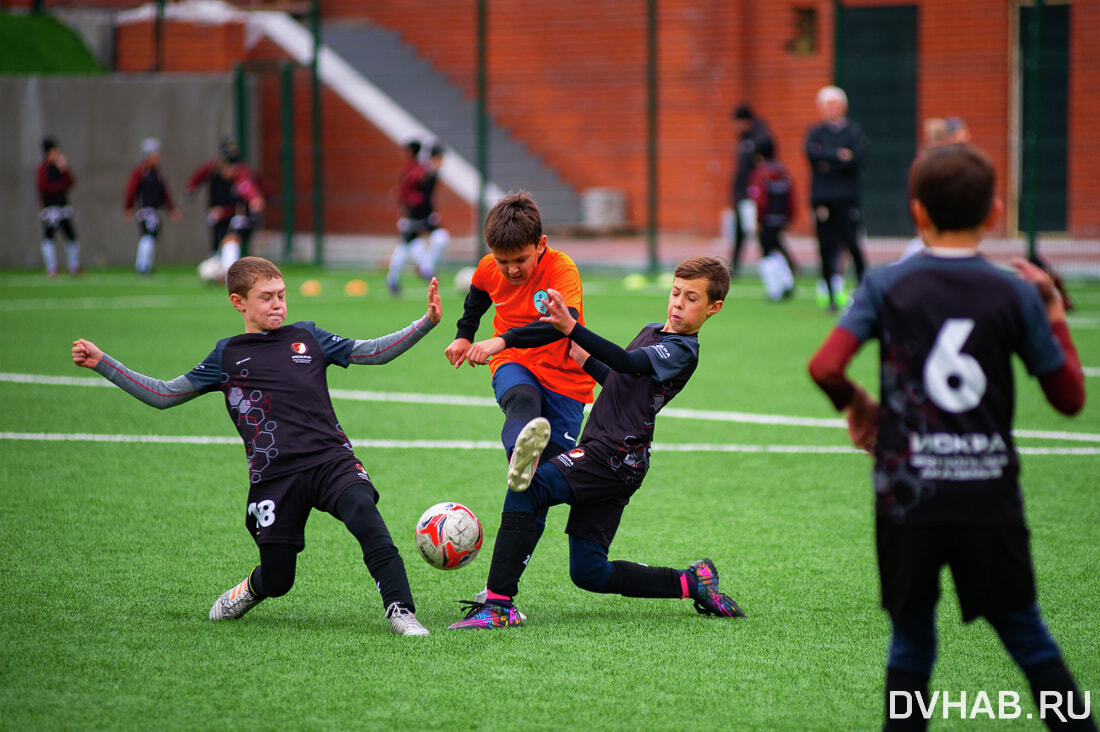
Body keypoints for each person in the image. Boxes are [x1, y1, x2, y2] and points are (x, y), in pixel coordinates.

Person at [808, 144, 1091, 730]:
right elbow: (1069, 399)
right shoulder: (1014, 291)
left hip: (907, 493)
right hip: (988, 495)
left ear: (917, 213)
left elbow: (825, 366)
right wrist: (1055, 313)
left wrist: (860, 405)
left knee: (911, 645)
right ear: (993, 213)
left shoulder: (887, 284)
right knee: (1028, 637)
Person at [71, 256, 441, 636]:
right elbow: (164, 394)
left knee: (365, 514)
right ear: (238, 302)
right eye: (266, 297)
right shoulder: (226, 356)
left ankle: (401, 610)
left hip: (332, 461)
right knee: (279, 579)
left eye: (282, 295)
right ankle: (251, 588)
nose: (278, 304)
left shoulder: (308, 337)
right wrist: (104, 363)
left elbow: (372, 351)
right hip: (276, 476)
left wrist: (425, 324)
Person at [449, 256, 744, 629]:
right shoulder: (653, 330)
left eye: (692, 298)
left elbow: (626, 361)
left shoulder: (683, 350)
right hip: (617, 459)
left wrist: (572, 327)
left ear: (713, 308)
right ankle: (691, 582)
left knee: (528, 486)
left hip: (613, 456)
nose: (678, 304)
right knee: (589, 571)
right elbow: (621, 379)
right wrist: (585, 359)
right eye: (675, 293)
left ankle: (498, 604)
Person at [444, 190, 596, 580]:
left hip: (566, 382)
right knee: (521, 399)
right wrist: (464, 334)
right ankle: (519, 454)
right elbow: (478, 292)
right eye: (502, 261)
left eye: (520, 261)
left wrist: (501, 339)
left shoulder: (563, 270)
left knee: (536, 493)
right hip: (515, 363)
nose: (510, 270)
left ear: (541, 245)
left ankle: (505, 584)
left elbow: (562, 323)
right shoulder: (488, 267)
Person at [805, 85, 868, 311]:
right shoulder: (815, 132)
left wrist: (829, 160)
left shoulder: (854, 131)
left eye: (835, 104)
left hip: (848, 199)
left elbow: (858, 157)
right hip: (824, 199)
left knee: (853, 244)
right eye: (827, 105)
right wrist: (839, 155)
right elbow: (812, 155)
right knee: (826, 247)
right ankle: (830, 294)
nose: (832, 109)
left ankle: (864, 291)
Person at [186, 139, 265, 277]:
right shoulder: (213, 169)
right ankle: (221, 267)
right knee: (221, 240)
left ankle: (229, 273)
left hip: (242, 216)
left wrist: (255, 199)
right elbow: (198, 176)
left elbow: (249, 189)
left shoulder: (242, 176)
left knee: (231, 240)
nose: (230, 170)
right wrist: (191, 188)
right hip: (223, 215)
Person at [387, 141, 450, 294]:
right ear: (435, 158)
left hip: (425, 218)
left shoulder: (431, 173)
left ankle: (425, 269)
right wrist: (409, 204)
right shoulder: (420, 172)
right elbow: (404, 191)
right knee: (406, 247)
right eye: (440, 159)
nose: (441, 163)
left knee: (440, 238)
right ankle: (393, 279)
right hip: (412, 219)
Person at [745, 137, 796, 301]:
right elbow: (791, 197)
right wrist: (788, 216)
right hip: (780, 218)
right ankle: (787, 282)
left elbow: (759, 200)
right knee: (775, 249)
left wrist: (757, 220)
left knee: (766, 253)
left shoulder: (760, 173)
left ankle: (774, 290)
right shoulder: (782, 171)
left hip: (766, 219)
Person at [123, 138, 182, 275]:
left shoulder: (158, 173)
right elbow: (131, 189)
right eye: (154, 154)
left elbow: (164, 192)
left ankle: (146, 265)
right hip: (145, 211)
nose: (157, 157)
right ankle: (142, 266)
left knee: (152, 238)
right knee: (147, 237)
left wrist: (171, 208)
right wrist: (129, 207)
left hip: (156, 212)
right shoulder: (141, 172)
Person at [728, 103, 772, 278]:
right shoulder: (743, 139)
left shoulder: (759, 139)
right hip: (742, 193)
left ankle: (784, 265)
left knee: (762, 233)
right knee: (741, 231)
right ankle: (735, 267)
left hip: (753, 194)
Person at [37, 136, 81, 277]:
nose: (57, 155)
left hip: (63, 207)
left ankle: (73, 266)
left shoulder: (60, 167)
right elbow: (45, 187)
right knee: (49, 237)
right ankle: (52, 267)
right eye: (54, 152)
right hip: (50, 209)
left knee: (71, 236)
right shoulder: (43, 169)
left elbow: (71, 182)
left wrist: (65, 169)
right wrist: (59, 186)